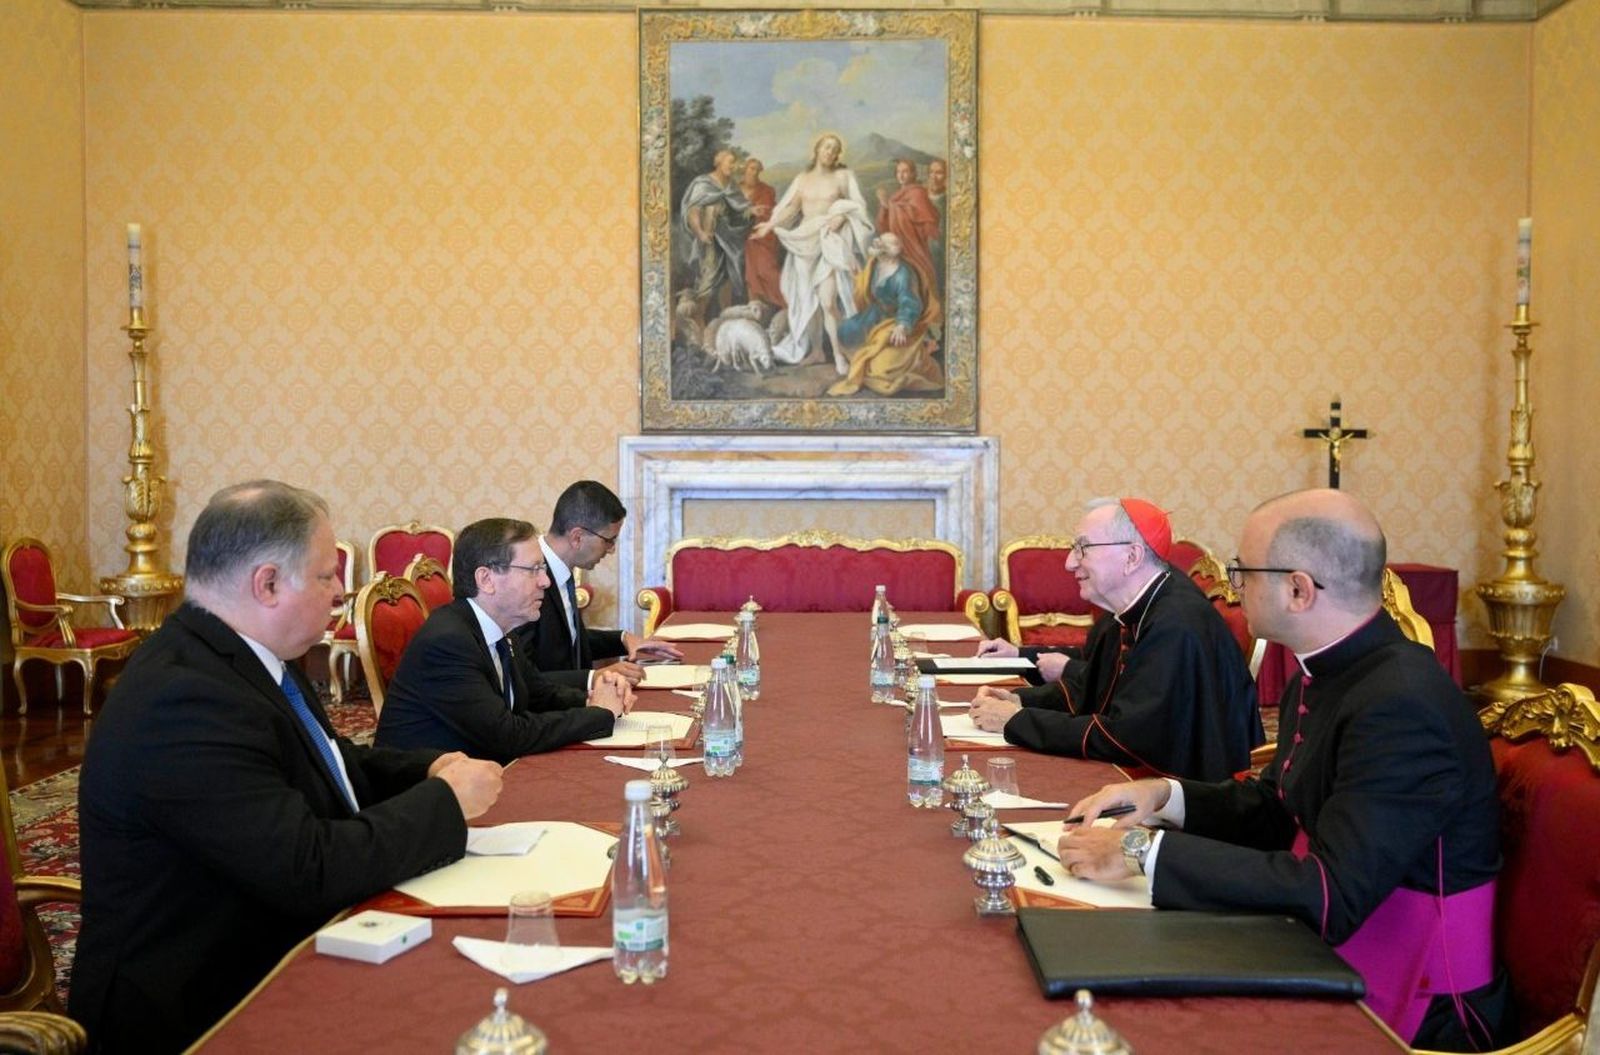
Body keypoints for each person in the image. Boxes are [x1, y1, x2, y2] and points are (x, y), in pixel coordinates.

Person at [1058, 489, 1513, 1052]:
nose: (1231, 586)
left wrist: (1139, 853)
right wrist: (1165, 797)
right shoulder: (1325, 668)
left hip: (1417, 992)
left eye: (1243, 571)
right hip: (1333, 938)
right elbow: (1278, 809)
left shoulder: (1403, 704)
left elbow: (1331, 895)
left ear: (1298, 589)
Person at [71, 481, 503, 1053]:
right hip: (202, 1007)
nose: (341, 592)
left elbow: (330, 765)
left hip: (264, 946)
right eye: (327, 575)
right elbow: (307, 868)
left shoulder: (246, 655)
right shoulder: (182, 697)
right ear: (268, 583)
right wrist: (445, 802)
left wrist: (427, 770)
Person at [967, 498, 1261, 781]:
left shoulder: (1175, 625)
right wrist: (1019, 700)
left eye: (1083, 548)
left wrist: (1016, 721)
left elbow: (1129, 738)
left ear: (1132, 557)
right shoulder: (1131, 607)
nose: (1070, 562)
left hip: (1180, 790)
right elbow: (1094, 686)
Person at [374, 517, 630, 764]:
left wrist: (596, 695)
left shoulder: (501, 629)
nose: (545, 581)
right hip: (429, 794)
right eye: (533, 570)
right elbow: (508, 735)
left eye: (542, 568)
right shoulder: (447, 642)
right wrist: (598, 714)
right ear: (486, 579)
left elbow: (540, 693)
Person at [510, 480, 682, 698]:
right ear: (577, 537)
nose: (611, 550)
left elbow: (565, 641)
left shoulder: (561, 569)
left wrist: (624, 639)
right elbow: (520, 677)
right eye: (609, 541)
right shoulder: (528, 579)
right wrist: (594, 677)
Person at [753, 132, 874, 375]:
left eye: (835, 149)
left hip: (829, 241)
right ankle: (817, 350)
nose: (830, 152)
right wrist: (768, 225)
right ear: (817, 149)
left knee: (828, 301)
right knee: (808, 300)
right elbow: (789, 208)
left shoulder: (843, 176)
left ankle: (841, 354)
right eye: (827, 147)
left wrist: (842, 215)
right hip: (804, 242)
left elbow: (859, 206)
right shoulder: (803, 178)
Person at [826, 232, 944, 398]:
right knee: (846, 331)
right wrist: (856, 276)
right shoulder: (875, 264)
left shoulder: (903, 273)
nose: (880, 246)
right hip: (875, 315)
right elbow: (865, 283)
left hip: (896, 322)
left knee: (883, 367)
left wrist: (902, 326)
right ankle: (865, 357)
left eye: (891, 244)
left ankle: (889, 359)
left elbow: (909, 302)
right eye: (884, 243)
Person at [680, 148, 753, 330]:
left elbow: (738, 211)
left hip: (729, 242)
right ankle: (699, 325)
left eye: (735, 163)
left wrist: (750, 211)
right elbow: (693, 211)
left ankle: (723, 326)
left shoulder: (731, 186)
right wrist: (700, 233)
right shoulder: (703, 184)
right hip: (710, 240)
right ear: (718, 162)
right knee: (708, 282)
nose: (734, 166)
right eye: (730, 162)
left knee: (727, 282)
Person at [874, 158, 941, 296]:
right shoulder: (896, 195)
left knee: (915, 280)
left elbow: (920, 215)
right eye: (898, 172)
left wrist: (889, 205)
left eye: (905, 171)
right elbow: (883, 227)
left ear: (913, 174)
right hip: (896, 245)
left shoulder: (918, 193)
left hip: (913, 245)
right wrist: (885, 206)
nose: (901, 175)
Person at [740, 156, 785, 313]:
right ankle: (754, 304)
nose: (754, 172)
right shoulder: (733, 190)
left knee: (766, 269)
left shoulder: (767, 190)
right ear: (745, 169)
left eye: (758, 170)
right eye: (752, 168)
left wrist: (758, 217)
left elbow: (770, 214)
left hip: (760, 235)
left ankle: (785, 301)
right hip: (737, 234)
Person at [926, 158, 948, 285]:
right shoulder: (921, 197)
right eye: (931, 172)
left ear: (946, 176)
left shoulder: (949, 200)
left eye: (939, 173)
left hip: (939, 253)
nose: (934, 177)